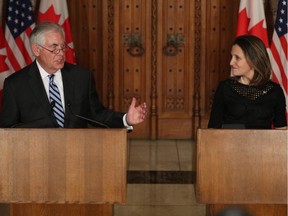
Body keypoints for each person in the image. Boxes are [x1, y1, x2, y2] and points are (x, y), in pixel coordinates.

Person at [0, 21, 147, 129]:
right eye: (54, 48)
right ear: (36, 50)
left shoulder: (81, 77)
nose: (61, 53)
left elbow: (96, 114)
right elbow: (8, 130)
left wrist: (126, 119)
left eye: (63, 47)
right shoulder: (15, 85)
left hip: (76, 155)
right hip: (34, 158)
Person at [208, 35, 287, 129]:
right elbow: (213, 129)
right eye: (232, 57)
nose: (231, 62)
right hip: (230, 143)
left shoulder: (275, 91)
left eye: (237, 58)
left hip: (264, 143)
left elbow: (281, 131)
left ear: (254, 60)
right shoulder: (224, 87)